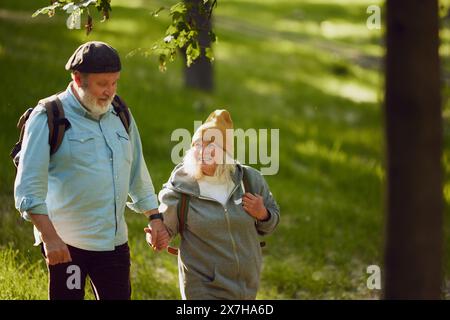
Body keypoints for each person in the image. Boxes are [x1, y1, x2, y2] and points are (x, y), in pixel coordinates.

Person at [14, 41, 169, 300]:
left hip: (114, 243)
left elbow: (137, 172)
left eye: (115, 82)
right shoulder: (50, 115)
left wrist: (155, 218)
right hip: (67, 244)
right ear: (77, 79)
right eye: (102, 84)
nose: (110, 92)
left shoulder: (120, 113)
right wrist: (49, 238)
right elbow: (29, 188)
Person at [150, 109, 280, 299]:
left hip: (245, 285)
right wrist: (158, 236)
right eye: (198, 145)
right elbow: (165, 229)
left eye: (212, 145)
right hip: (201, 285)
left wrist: (263, 214)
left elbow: (272, 222)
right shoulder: (181, 188)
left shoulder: (249, 180)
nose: (203, 151)